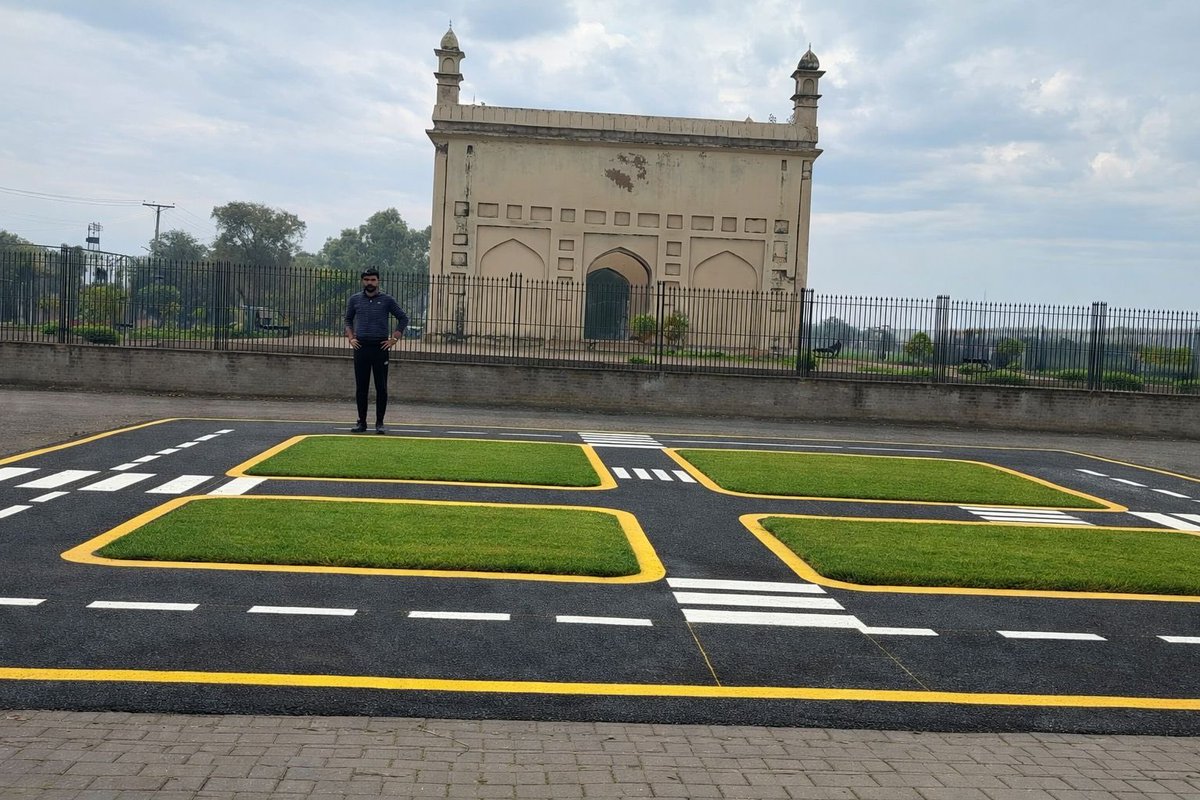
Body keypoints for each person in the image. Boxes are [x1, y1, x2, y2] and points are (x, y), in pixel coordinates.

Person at [344, 267, 408, 433]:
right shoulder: (355, 299)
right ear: (362, 281)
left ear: (378, 281)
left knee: (381, 387)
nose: (369, 283)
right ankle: (361, 422)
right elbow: (348, 320)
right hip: (361, 347)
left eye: (372, 280)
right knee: (361, 388)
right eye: (366, 280)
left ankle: (380, 423)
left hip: (380, 348)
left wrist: (394, 338)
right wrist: (351, 337)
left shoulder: (387, 300)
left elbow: (403, 318)